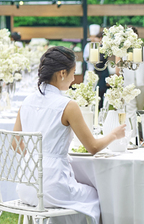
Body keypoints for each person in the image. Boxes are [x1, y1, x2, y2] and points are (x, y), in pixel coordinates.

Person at [15, 46, 126, 224]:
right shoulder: (67, 105)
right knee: (96, 196)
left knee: (75, 194)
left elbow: (15, 143)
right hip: (52, 187)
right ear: (61, 73)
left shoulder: (27, 101)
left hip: (25, 186)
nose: (74, 79)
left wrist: (35, 158)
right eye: (73, 73)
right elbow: (94, 147)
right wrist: (114, 134)